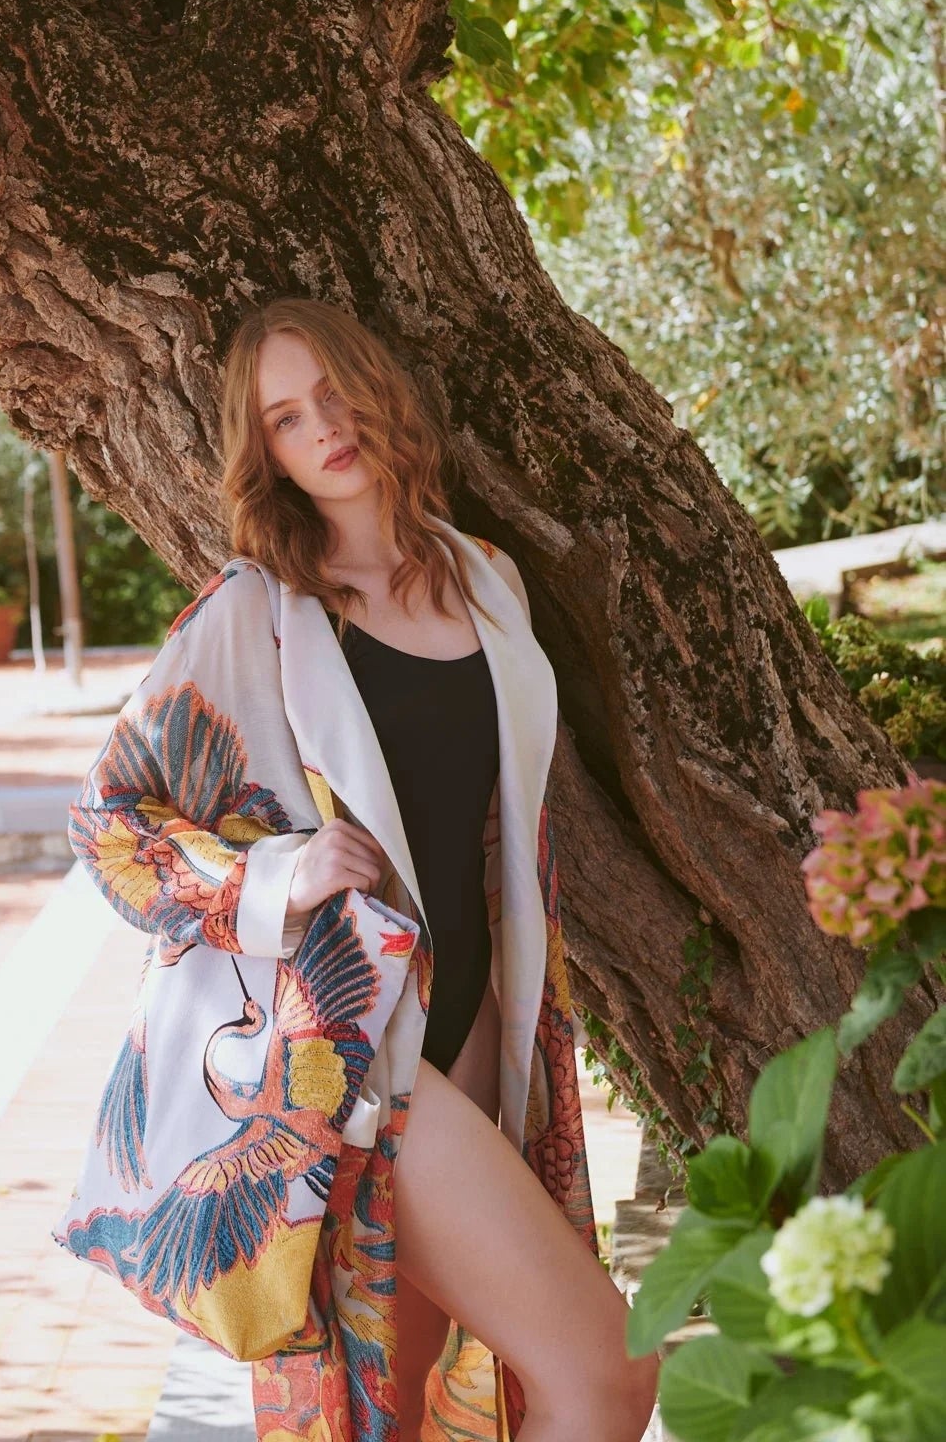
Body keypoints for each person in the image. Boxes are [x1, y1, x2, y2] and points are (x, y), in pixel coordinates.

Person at [217, 295, 660, 1442]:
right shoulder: (263, 610)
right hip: (365, 1053)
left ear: (376, 382)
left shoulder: (486, 579)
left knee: (400, 1409)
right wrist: (280, 872)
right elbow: (110, 816)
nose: (321, 425)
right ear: (263, 453)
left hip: (480, 1027)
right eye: (283, 418)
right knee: (608, 1372)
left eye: (331, 390)